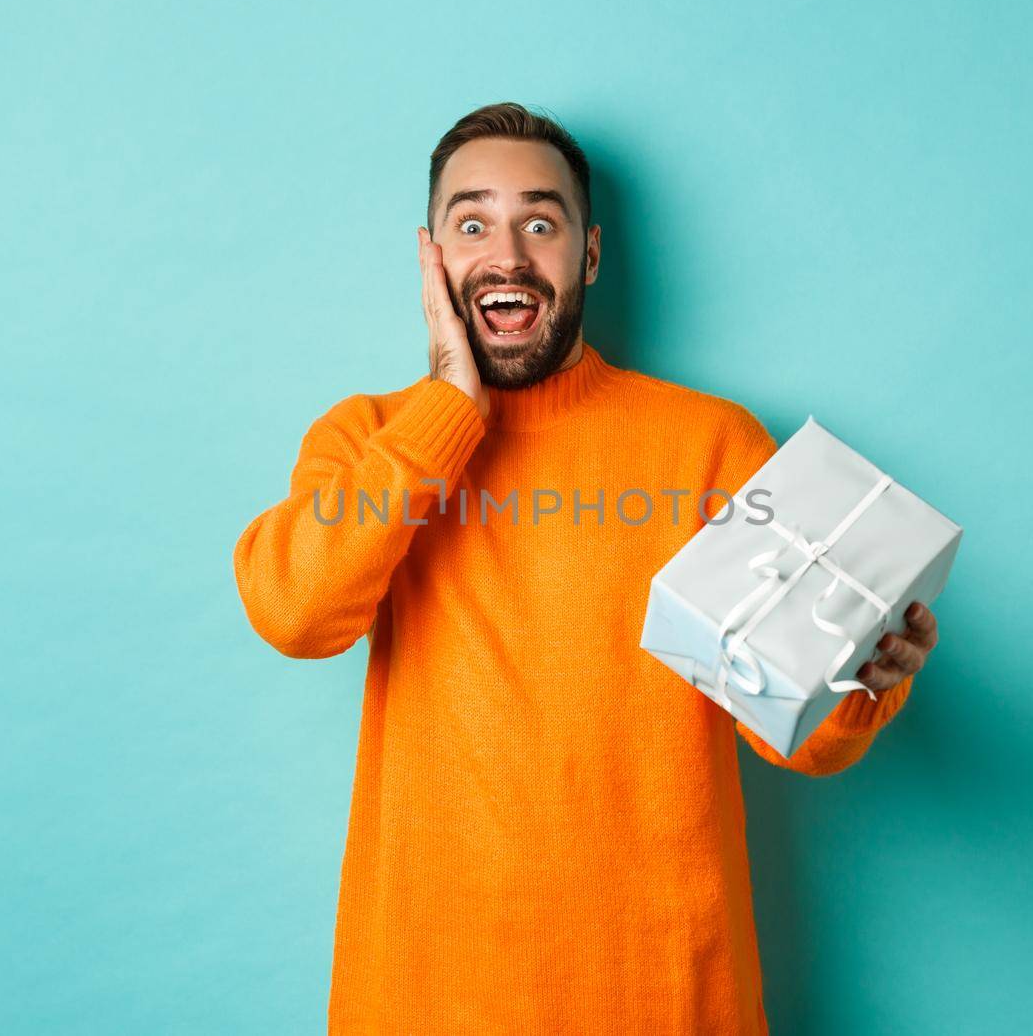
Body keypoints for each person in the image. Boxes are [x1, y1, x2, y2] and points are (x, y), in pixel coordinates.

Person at [232, 101, 940, 1035]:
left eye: (541, 221)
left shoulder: (710, 444)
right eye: (472, 222)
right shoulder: (368, 437)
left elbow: (799, 739)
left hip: (662, 994)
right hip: (423, 993)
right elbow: (292, 610)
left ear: (590, 254)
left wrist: (859, 679)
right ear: (432, 259)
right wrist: (450, 407)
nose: (509, 253)